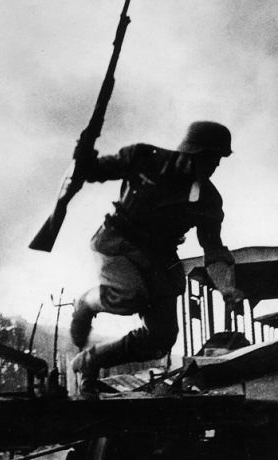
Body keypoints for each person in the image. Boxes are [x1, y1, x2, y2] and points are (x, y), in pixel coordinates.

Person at [70, 121, 243, 398]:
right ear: (193, 152)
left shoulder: (208, 199)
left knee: (161, 338)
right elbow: (92, 172)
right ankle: (88, 301)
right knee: (130, 295)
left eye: (219, 159)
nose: (216, 166)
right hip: (118, 244)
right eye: (212, 158)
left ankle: (90, 363)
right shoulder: (143, 159)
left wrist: (226, 287)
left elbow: (214, 249)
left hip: (159, 258)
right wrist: (84, 153)